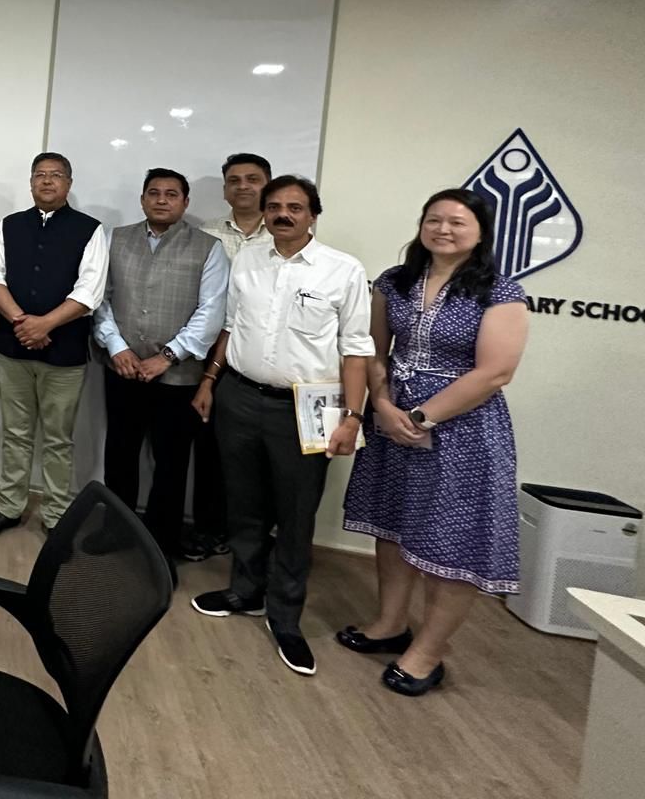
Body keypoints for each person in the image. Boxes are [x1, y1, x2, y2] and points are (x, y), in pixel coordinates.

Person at [338, 189, 529, 697]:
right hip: (392, 419)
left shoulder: (501, 292)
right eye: (434, 220)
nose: (443, 229)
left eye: (457, 222)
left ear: (481, 232)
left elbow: (495, 372)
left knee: (453, 539)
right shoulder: (395, 281)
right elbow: (374, 351)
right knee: (392, 523)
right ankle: (389, 624)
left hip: (463, 432)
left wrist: (424, 417)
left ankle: (428, 651)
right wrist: (382, 405)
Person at [190, 175, 372, 678]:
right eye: (274, 207)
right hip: (240, 398)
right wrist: (210, 380)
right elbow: (231, 327)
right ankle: (244, 591)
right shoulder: (247, 260)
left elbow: (356, 349)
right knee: (243, 504)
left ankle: (285, 616)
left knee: (295, 514)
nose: (283, 214)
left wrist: (353, 416)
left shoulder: (343, 270)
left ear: (313, 214)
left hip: (305, 407)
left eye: (295, 207)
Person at [92, 168, 228, 558]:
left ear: (185, 202)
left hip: (179, 376)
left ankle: (161, 545)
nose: (162, 200)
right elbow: (100, 298)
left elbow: (212, 310)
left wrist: (168, 356)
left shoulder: (209, 247)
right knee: (120, 454)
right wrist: (117, 347)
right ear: (142, 200)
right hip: (122, 369)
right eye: (154, 193)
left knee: (171, 463)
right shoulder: (114, 238)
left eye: (171, 194)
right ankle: (115, 531)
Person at [0, 152, 108, 538]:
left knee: (58, 439)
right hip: (12, 349)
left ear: (69, 183)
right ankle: (9, 506)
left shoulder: (90, 229)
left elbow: (90, 291)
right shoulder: (10, 225)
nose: (47, 181)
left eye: (56, 175)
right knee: (15, 433)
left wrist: (45, 324)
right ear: (31, 182)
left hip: (64, 354)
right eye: (40, 175)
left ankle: (55, 515)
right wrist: (23, 322)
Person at [187, 151, 274, 561]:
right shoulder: (205, 234)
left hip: (262, 356)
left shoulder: (285, 235)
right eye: (234, 180)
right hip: (210, 353)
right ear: (224, 190)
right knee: (209, 450)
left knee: (261, 457)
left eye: (252, 179)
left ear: (267, 185)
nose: (243, 186)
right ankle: (208, 529)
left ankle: (254, 538)